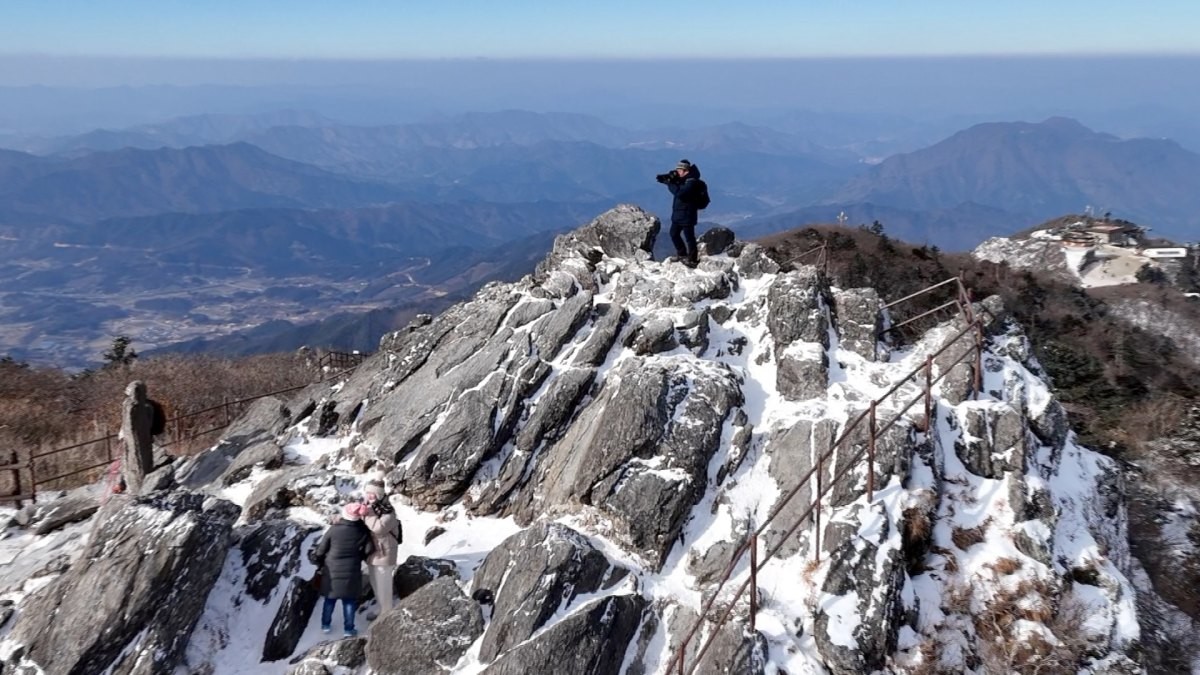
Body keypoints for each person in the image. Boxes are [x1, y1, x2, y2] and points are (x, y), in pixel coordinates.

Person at [312, 502, 375, 636]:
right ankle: (348, 629)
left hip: (332, 568)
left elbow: (321, 549)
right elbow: (369, 549)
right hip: (352, 569)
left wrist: (318, 560)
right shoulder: (363, 530)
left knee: (330, 599)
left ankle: (325, 625)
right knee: (349, 601)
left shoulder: (334, 529)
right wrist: (359, 556)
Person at [361, 481, 402, 618]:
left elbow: (378, 528)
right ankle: (381, 607)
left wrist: (368, 513)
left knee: (384, 586)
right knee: (375, 583)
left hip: (385, 553)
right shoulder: (369, 508)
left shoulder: (388, 510)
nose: (369, 496)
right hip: (373, 552)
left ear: (379, 494)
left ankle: (386, 613)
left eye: (373, 493)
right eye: (368, 493)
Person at [656, 159, 705, 267]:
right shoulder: (683, 179)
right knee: (674, 234)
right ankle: (682, 254)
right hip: (678, 214)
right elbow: (675, 183)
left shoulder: (691, 182)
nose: (677, 171)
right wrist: (664, 179)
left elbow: (679, 193)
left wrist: (669, 182)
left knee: (689, 238)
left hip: (687, 214)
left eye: (679, 169)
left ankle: (692, 259)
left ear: (685, 170)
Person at [119, 381, 156, 493]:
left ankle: (131, 485)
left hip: (137, 439)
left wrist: (122, 434)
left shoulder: (131, 406)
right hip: (143, 439)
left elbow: (127, 425)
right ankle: (126, 483)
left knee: (135, 461)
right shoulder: (147, 407)